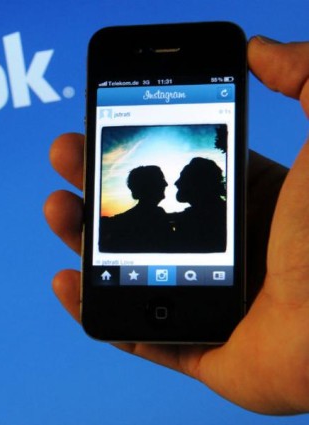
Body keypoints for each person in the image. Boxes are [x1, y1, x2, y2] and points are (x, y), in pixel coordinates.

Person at [44, 36, 309, 415]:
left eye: (179, 177)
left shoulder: (140, 225)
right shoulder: (167, 221)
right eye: (167, 179)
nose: (173, 183)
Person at [100, 165, 171, 252]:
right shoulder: (155, 216)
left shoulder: (156, 213)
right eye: (161, 179)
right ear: (149, 185)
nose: (166, 184)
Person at [170, 157, 227, 252]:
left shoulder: (194, 221)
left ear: (199, 183)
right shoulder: (221, 212)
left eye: (183, 178)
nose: (176, 183)